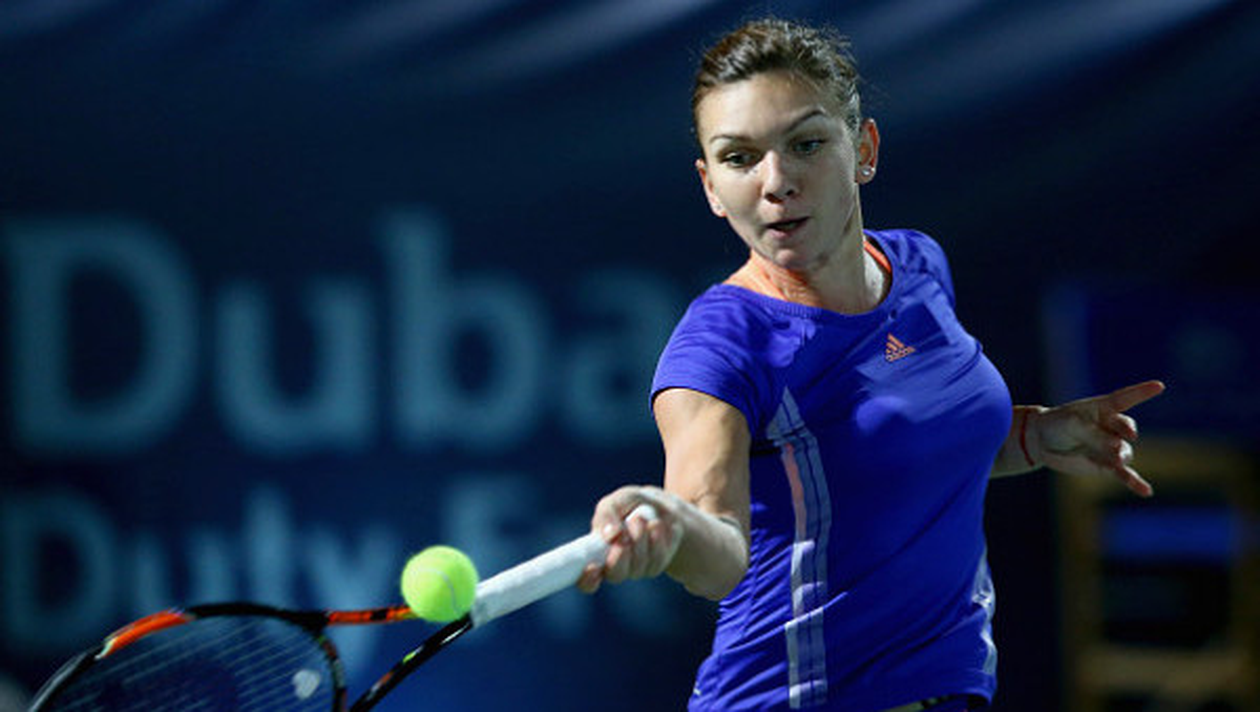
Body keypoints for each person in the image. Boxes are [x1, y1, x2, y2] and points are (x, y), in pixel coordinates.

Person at [575, 17, 1165, 712]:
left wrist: (1034, 435)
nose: (776, 182)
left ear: (863, 149)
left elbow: (896, 449)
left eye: (806, 144)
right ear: (710, 186)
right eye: (739, 158)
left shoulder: (918, 264)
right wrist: (671, 525)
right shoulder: (719, 348)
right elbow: (721, 552)